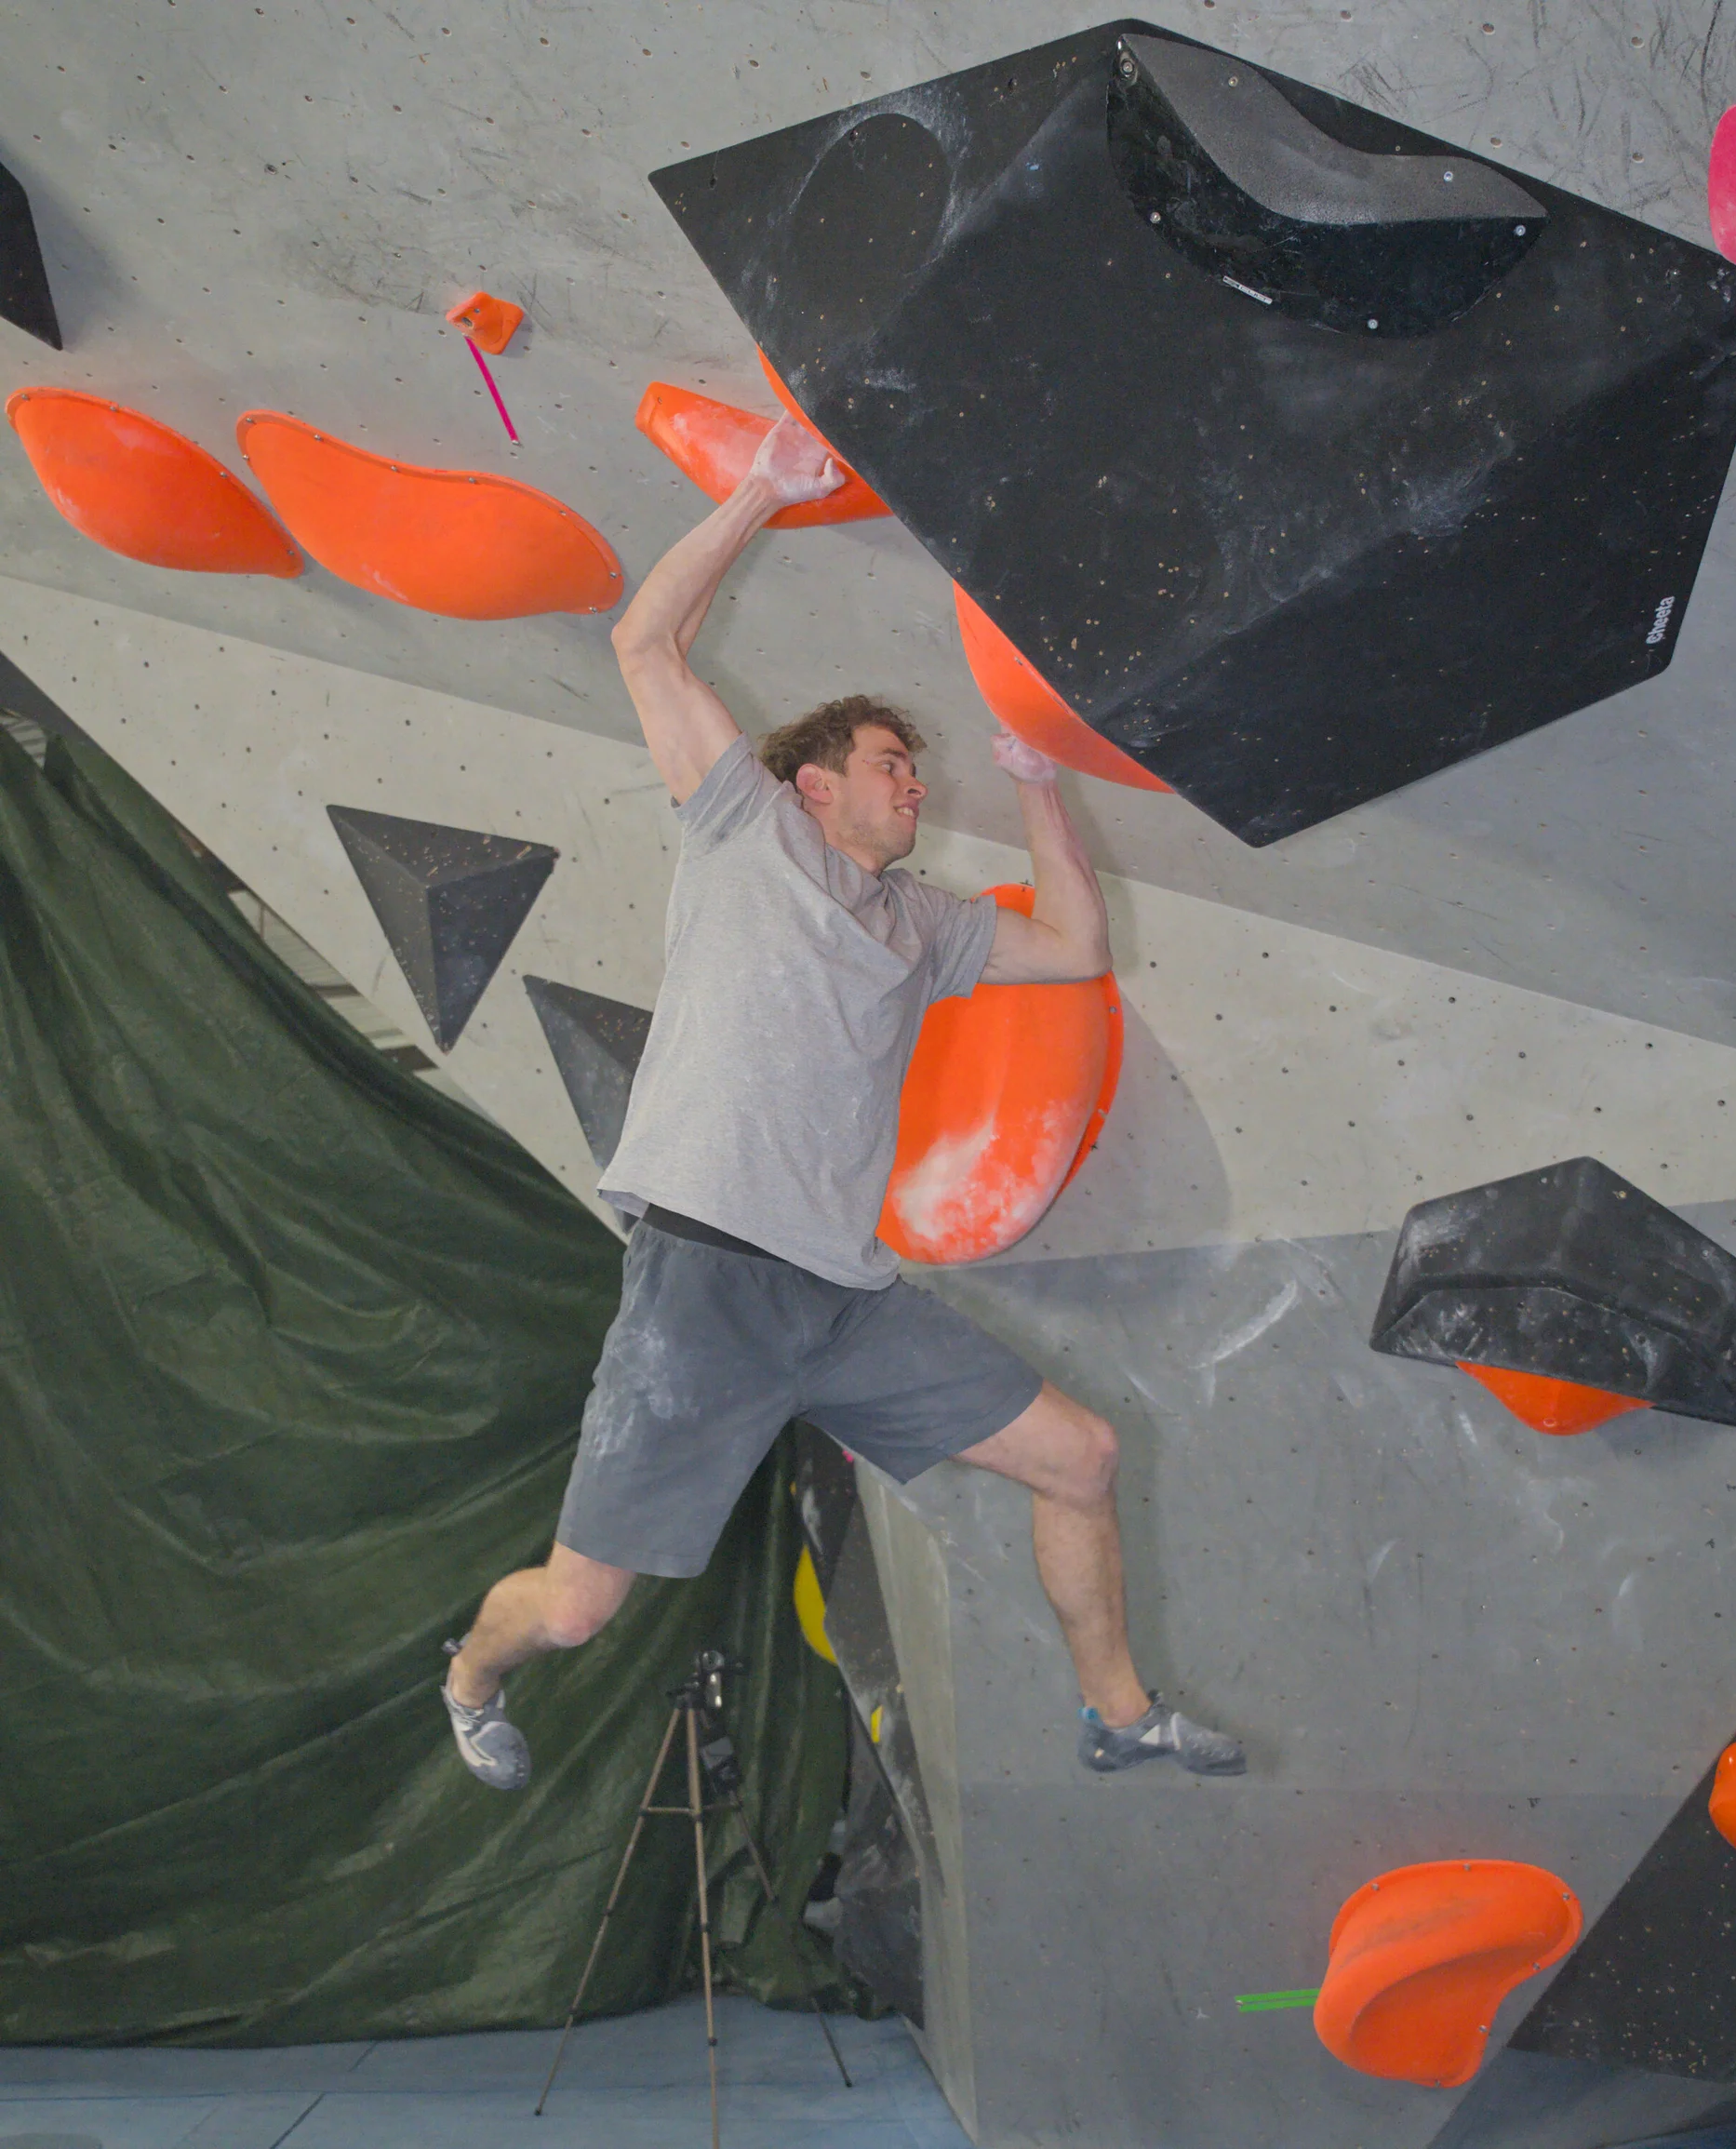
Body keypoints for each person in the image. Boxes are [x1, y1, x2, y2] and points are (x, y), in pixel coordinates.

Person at [440, 417, 1245, 1789]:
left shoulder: (922, 923)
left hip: (844, 1296)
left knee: (1083, 1453)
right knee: (577, 1608)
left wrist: (1039, 787)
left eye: (919, 770)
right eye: (891, 764)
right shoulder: (744, 825)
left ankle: (1118, 1712)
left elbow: (1075, 946)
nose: (915, 783)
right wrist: (762, 488)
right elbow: (645, 642)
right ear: (816, 784)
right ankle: (469, 1670)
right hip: (703, 1283)